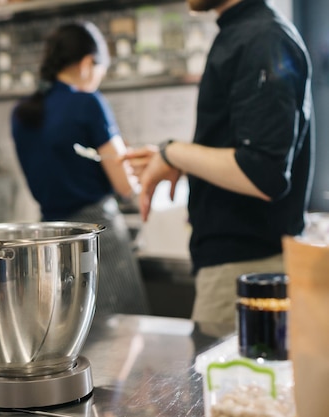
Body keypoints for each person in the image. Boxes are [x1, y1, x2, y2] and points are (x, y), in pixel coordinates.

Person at [125, 0, 314, 328]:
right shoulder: (243, 32)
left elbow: (263, 173)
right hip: (238, 265)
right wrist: (174, 158)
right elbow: (244, 154)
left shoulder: (262, 38)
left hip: (246, 269)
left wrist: (174, 153)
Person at [11, 21, 150, 316]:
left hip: (49, 236)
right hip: (97, 236)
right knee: (123, 330)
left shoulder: (21, 113)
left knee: (69, 330)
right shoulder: (88, 103)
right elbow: (125, 186)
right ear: (88, 63)